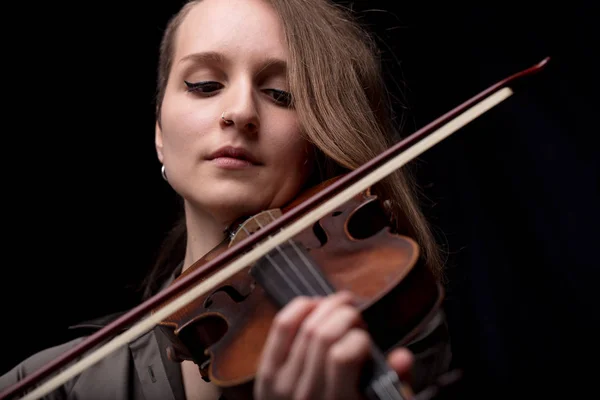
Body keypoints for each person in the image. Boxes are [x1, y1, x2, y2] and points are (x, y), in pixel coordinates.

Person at [1, 0, 452, 399]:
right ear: (159, 132)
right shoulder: (53, 387)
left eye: (281, 95)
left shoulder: (393, 327)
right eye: (203, 85)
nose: (239, 112)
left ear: (318, 138)